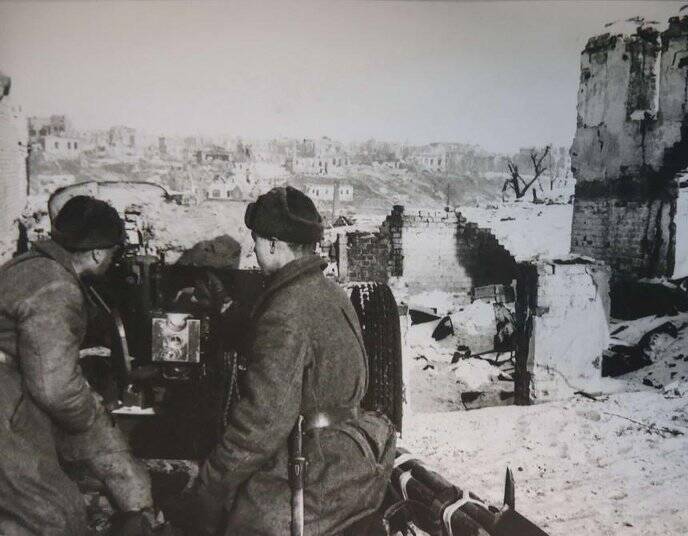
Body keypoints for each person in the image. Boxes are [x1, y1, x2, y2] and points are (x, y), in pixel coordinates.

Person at [174, 186, 396, 535]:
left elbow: (262, 423)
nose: (254, 250)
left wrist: (211, 485)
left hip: (317, 465)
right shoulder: (329, 293)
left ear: (274, 244)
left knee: (235, 523)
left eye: (257, 241)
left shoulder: (285, 311)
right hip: (355, 452)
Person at [0, 196, 157, 535]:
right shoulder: (57, 288)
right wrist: (92, 412)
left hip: (11, 393)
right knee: (52, 515)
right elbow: (55, 388)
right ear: (99, 253)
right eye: (114, 254)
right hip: (5, 404)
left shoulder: (29, 265)